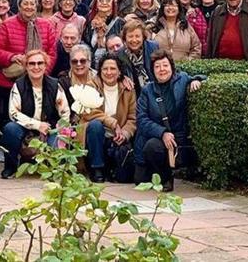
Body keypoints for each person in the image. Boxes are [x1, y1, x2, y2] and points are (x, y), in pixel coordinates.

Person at [135, 50, 204, 192]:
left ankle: (167, 178)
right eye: (157, 66)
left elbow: (204, 77)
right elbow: (141, 120)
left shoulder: (182, 79)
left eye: (165, 65)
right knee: (140, 177)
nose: (162, 70)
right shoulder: (147, 91)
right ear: (152, 70)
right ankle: (162, 174)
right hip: (157, 137)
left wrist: (195, 80)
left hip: (179, 135)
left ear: (171, 67)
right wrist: (162, 133)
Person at [1, 49, 70, 179]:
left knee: (56, 156)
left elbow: (65, 113)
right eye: (32, 64)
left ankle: (52, 167)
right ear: (26, 66)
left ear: (45, 65)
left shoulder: (55, 85)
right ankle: (10, 167)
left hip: (51, 128)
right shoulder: (18, 85)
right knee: (10, 129)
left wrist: (58, 129)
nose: (36, 67)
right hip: (26, 128)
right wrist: (37, 125)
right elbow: (13, 113)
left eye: (40, 63)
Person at [81, 53, 137, 183]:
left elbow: (132, 117)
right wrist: (112, 123)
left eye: (113, 69)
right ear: (100, 71)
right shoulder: (91, 86)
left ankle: (113, 169)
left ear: (119, 72)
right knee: (95, 125)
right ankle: (97, 168)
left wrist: (125, 133)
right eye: (105, 69)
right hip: (97, 136)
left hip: (118, 137)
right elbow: (88, 112)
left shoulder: (128, 89)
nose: (109, 72)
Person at [0, 0, 58, 93]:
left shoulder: (46, 25)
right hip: (10, 83)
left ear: (36, 6)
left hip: (39, 82)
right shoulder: (7, 25)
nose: (29, 7)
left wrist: (41, 73)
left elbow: (52, 53)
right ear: (19, 6)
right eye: (25, 4)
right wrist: (12, 57)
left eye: (32, 4)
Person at [119, 19, 159, 90]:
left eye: (137, 36)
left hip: (155, 88)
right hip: (133, 92)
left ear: (143, 37)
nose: (134, 40)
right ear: (125, 38)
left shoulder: (153, 47)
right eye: (130, 36)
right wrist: (122, 78)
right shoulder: (119, 55)